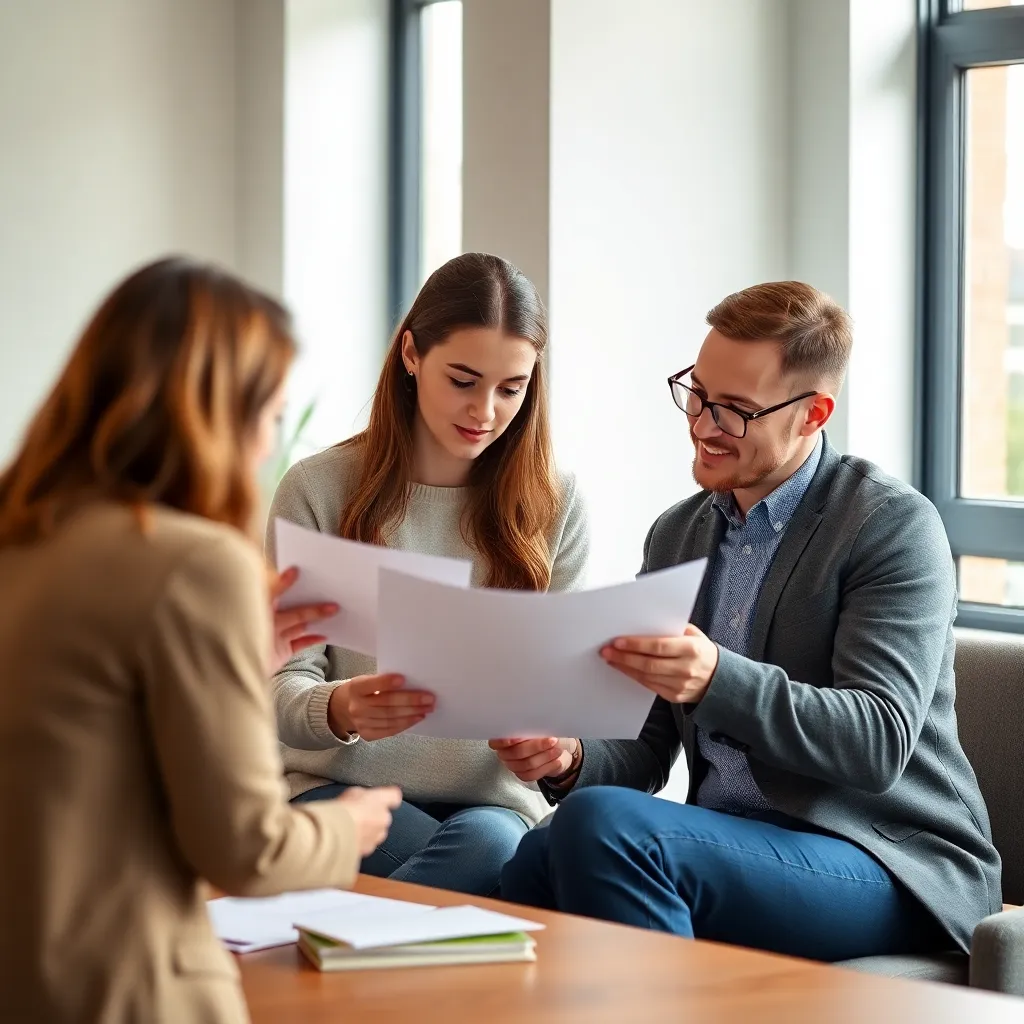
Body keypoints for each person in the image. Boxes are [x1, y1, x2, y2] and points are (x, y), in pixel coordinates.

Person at [496, 281, 1002, 963]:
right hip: (736, 847)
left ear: (812, 415)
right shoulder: (678, 534)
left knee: (601, 830)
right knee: (533, 858)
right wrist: (571, 757)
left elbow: (877, 742)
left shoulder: (888, 526)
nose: (703, 424)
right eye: (697, 393)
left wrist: (715, 679)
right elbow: (645, 752)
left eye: (734, 409)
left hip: (888, 865)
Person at [0, 258, 401, 1024]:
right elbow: (246, 849)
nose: (264, 447)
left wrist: (240, 667)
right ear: (217, 412)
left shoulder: (20, 539)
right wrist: (345, 826)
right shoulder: (194, 564)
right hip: (123, 987)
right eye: (271, 416)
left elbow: (83, 748)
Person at [267, 252, 589, 898]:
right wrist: (338, 707)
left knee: (493, 845)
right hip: (344, 791)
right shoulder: (319, 491)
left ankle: (339, 958)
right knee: (491, 868)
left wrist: (557, 748)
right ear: (412, 355)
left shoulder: (554, 503)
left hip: (491, 806)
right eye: (463, 380)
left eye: (511, 388)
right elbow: (274, 685)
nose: (486, 411)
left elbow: (563, 696)